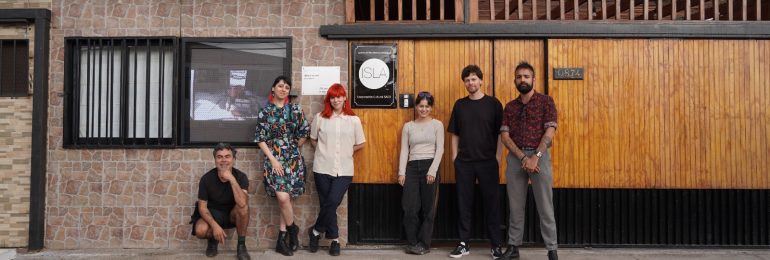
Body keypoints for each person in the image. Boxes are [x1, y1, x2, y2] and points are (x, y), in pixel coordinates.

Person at [500, 61, 559, 260]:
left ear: (533, 79)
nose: (522, 80)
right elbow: (505, 137)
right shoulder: (509, 107)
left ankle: (552, 249)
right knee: (515, 206)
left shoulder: (546, 101)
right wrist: (524, 157)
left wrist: (536, 156)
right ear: (514, 80)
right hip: (517, 160)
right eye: (519, 77)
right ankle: (514, 247)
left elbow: (550, 131)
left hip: (539, 157)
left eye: (526, 76)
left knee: (545, 205)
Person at [447, 65, 507, 259]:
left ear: (481, 81)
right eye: (467, 80)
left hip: (488, 162)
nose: (470, 83)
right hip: (464, 163)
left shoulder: (494, 104)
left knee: (492, 203)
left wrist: (498, 157)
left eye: (473, 79)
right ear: (464, 83)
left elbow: (501, 134)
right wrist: (455, 157)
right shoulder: (460, 105)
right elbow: (454, 133)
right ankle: (463, 244)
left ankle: (496, 245)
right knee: (463, 203)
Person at [308, 83, 366, 256]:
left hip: (345, 169)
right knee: (327, 204)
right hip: (322, 167)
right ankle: (334, 240)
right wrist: (324, 151)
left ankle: (316, 231)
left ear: (344, 98)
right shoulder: (320, 118)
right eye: (332, 97)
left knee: (332, 202)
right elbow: (313, 140)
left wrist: (347, 151)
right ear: (329, 100)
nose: (336, 100)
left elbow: (361, 143)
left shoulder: (353, 120)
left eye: (339, 96)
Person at [255, 76, 310, 256]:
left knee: (284, 199)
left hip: (292, 159)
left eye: (287, 87)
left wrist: (293, 148)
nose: (283, 89)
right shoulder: (265, 112)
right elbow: (260, 139)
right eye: (280, 86)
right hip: (274, 159)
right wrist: (273, 159)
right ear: (273, 89)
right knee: (283, 197)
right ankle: (293, 230)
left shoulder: (295, 110)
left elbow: (304, 132)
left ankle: (282, 239)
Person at [398, 91, 444, 255]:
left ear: (431, 108)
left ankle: (424, 244)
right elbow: (404, 150)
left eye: (427, 106)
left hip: (430, 165)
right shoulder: (408, 126)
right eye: (421, 106)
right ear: (416, 106)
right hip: (411, 167)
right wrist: (401, 172)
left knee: (428, 208)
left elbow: (440, 149)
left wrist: (432, 170)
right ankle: (412, 242)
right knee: (409, 207)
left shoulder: (437, 125)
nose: (423, 109)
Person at [190, 143, 251, 260]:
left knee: (243, 208)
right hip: (213, 214)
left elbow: (243, 203)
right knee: (200, 231)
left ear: (234, 159)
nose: (223, 160)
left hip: (233, 214)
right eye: (219, 157)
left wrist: (232, 179)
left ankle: (241, 246)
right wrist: (214, 226)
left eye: (227, 156)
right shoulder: (206, 179)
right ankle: (212, 240)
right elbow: (202, 207)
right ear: (215, 160)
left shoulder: (241, 177)